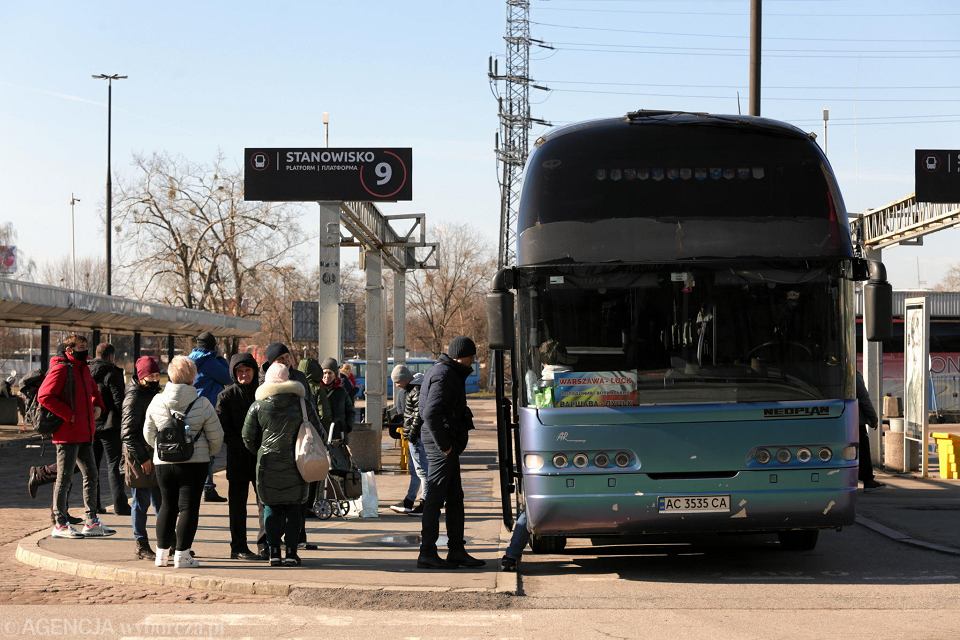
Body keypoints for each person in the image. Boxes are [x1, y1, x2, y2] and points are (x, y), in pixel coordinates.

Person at [144, 356, 224, 568]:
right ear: (192, 376)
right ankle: (182, 555)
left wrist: (162, 450)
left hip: (164, 463)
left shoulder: (157, 401)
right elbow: (216, 437)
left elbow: (148, 434)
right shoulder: (203, 403)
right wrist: (207, 453)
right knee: (189, 508)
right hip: (195, 463)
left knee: (167, 506)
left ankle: (161, 555)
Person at [417, 336, 485, 569]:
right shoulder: (445, 375)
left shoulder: (445, 372)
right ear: (464, 355)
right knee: (435, 498)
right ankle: (427, 552)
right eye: (472, 357)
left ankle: (456, 550)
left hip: (444, 444)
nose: (472, 362)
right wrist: (445, 445)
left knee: (455, 498)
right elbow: (430, 413)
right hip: (441, 444)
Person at [243, 362, 318, 567]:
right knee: (295, 509)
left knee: (271, 507)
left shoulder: (258, 406)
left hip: (268, 464)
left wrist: (261, 450)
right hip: (298, 464)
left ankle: (273, 551)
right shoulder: (302, 404)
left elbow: (247, 437)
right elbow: (317, 431)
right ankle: (292, 553)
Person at [37, 333, 110, 539]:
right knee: (65, 478)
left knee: (92, 475)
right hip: (67, 435)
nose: (85, 350)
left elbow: (94, 391)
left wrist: (98, 406)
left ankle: (91, 520)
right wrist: (69, 415)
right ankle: (60, 523)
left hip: (85, 432)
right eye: (80, 347)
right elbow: (44, 395)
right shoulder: (61, 369)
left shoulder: (83, 369)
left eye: (86, 346)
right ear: (69, 350)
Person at [215, 352, 265, 561]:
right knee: (237, 505)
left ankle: (266, 544)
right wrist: (243, 443)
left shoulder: (262, 393)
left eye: (247, 370)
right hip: (237, 457)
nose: (244, 375)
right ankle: (238, 546)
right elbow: (223, 429)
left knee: (265, 503)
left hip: (261, 457)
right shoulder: (226, 396)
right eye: (240, 371)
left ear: (254, 370)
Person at [121, 356, 163, 560]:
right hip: (139, 456)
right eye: (151, 376)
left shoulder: (153, 393)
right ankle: (141, 543)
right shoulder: (135, 397)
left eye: (157, 374)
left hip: (154, 452)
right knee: (141, 501)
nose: (155, 379)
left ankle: (166, 541)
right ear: (141, 377)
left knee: (160, 500)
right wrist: (142, 458)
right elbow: (127, 433)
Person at [188, 331, 231, 503]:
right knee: (210, 449)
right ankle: (207, 487)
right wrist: (220, 358)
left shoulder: (189, 360)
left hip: (192, 407)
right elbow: (228, 377)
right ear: (213, 345)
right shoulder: (210, 361)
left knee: (197, 447)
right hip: (209, 408)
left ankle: (205, 486)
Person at [89, 342, 130, 515]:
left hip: (91, 424)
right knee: (114, 465)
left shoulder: (86, 371)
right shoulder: (112, 373)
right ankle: (120, 505)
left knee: (92, 466)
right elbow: (119, 401)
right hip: (110, 425)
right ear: (111, 356)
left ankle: (94, 505)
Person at [389, 365, 428, 515]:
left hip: (417, 436)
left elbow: (417, 415)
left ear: (404, 379)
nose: (396, 385)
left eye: (397, 382)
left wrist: (411, 434)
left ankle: (425, 503)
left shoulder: (415, 390)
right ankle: (409, 501)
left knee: (422, 472)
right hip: (415, 436)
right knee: (416, 471)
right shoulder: (412, 389)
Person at [856, 371, 885, 490]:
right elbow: (863, 398)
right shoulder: (853, 374)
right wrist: (873, 418)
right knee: (863, 450)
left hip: (838, 420)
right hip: (855, 422)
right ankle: (868, 480)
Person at [320, 358, 355, 440]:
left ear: (335, 375)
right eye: (324, 373)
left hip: (338, 434)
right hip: (320, 434)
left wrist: (347, 426)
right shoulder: (317, 391)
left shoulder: (342, 392)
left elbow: (350, 411)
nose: (326, 376)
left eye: (330, 373)